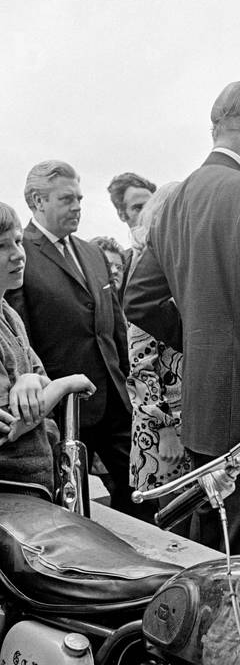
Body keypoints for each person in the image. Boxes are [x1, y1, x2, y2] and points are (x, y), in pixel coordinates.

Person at [125, 80, 240, 552]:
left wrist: (204, 342)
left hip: (201, 408)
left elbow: (139, 299)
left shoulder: (178, 198)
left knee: (215, 542)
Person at [11, 161, 137, 514]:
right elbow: (23, 339)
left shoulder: (92, 252)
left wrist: (127, 382)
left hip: (113, 401)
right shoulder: (20, 256)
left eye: (80, 198)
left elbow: (114, 326)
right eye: (67, 199)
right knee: (72, 511)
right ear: (37, 201)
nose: (78, 206)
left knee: (141, 500)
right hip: (63, 410)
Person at [0, 202, 95, 492]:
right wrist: (68, 384)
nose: (18, 254)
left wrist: (31, 379)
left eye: (18, 241)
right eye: (2, 246)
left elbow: (41, 381)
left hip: (33, 482)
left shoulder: (9, 314)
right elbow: (10, 426)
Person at [124, 182, 187, 494]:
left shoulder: (179, 267)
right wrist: (166, 430)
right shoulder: (147, 270)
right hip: (160, 427)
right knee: (169, 520)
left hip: (185, 419)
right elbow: (141, 364)